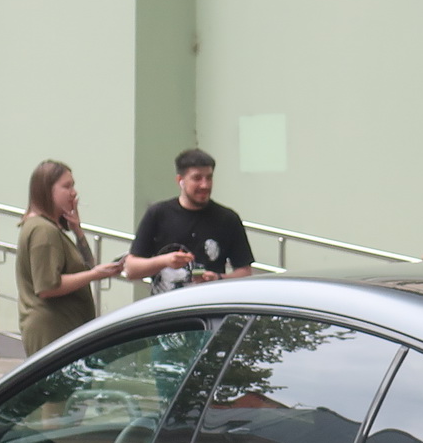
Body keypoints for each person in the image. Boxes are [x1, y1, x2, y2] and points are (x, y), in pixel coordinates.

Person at [16, 160, 123, 353]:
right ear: (47, 190)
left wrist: (77, 230)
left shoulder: (50, 228)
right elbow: (47, 287)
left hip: (64, 328)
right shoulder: (43, 230)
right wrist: (95, 275)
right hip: (53, 330)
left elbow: (87, 266)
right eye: (67, 186)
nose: (74, 193)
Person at [128, 147, 255, 293]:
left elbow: (245, 272)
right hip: (166, 305)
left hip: (211, 304)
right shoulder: (158, 214)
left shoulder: (228, 219)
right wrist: (165, 261)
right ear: (180, 180)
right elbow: (131, 269)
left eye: (209, 178)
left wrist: (218, 279)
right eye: (197, 178)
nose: (205, 185)